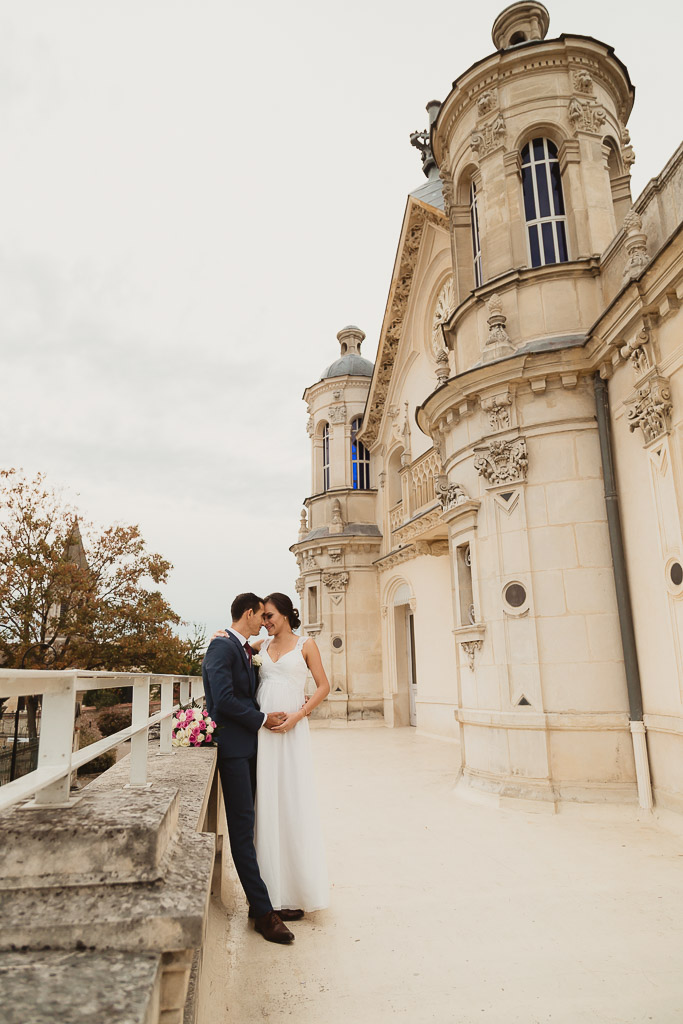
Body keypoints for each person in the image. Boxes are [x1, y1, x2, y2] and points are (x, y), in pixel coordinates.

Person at [202, 592, 295, 945]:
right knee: (242, 829)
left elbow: (256, 647)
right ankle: (262, 912)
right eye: (260, 616)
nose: (264, 623)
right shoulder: (222, 648)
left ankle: (265, 900)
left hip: (250, 747)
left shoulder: (238, 646)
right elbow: (223, 701)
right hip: (234, 751)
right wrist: (261, 719)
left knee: (253, 825)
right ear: (248, 613)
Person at [252, 592, 330, 915]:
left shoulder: (305, 645)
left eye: (269, 616)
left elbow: (324, 686)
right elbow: (235, 644)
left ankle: (298, 890)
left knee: (292, 802)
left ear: (284, 614)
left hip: (293, 732)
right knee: (267, 804)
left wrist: (299, 715)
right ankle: (270, 893)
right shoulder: (260, 647)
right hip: (264, 735)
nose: (265, 622)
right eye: (262, 617)